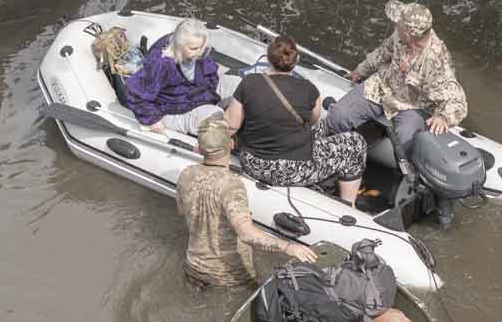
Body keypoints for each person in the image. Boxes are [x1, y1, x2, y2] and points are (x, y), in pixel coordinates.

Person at [322, 0, 471, 222]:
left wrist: (443, 116)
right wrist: (359, 71)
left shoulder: (436, 60)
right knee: (338, 116)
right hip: (382, 87)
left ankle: (405, 186)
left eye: (398, 25)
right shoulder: (399, 37)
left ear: (410, 34)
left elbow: (457, 100)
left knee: (405, 141)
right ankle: (331, 159)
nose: (394, 27)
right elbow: (382, 53)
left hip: (412, 105)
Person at [173, 116, 317, 287]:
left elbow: (182, 211)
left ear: (199, 149)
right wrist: (287, 247)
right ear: (231, 144)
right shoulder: (232, 185)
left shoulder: (186, 174)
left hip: (193, 269)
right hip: (230, 276)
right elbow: (246, 233)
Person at [226, 35, 367, 205]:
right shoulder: (309, 89)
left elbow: (231, 126)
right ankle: (347, 206)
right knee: (355, 143)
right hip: (293, 170)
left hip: (254, 164)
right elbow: (314, 123)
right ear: (297, 59)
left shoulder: (249, 83)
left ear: (269, 57)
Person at [122, 18, 226, 136]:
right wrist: (153, 120)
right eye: (194, 49)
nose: (200, 52)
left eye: (202, 47)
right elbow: (133, 91)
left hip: (202, 93)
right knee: (218, 119)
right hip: (174, 106)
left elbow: (211, 72)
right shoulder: (162, 64)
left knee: (238, 85)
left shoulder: (199, 51)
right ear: (179, 45)